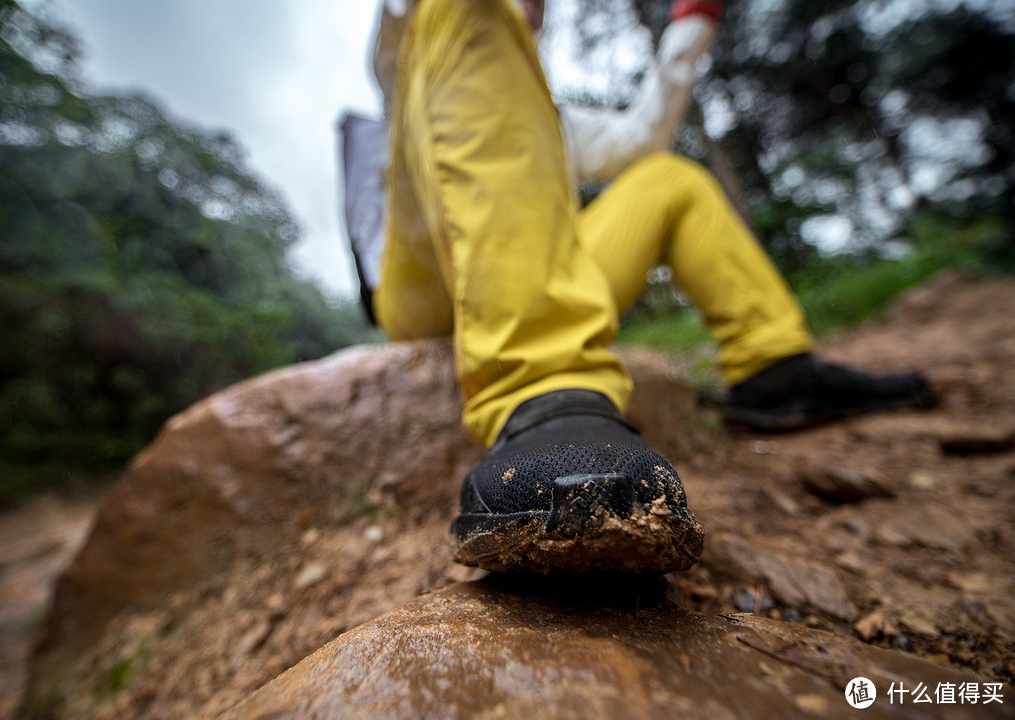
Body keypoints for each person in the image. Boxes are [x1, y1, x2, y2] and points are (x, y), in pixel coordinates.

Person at [344, 0, 934, 574]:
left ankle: (772, 365)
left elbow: (643, 133)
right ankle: (543, 387)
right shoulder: (417, 59)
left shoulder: (548, 118)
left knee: (668, 180)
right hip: (422, 281)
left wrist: (692, 26)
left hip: (521, 265)